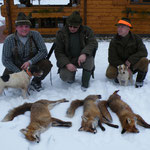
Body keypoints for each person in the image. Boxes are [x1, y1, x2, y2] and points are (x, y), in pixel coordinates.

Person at [2, 12, 52, 91]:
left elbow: (43, 51)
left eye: (26, 26)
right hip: (16, 66)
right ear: (16, 28)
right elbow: (6, 60)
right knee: (5, 79)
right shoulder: (9, 40)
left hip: (32, 65)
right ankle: (19, 84)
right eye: (21, 26)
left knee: (46, 64)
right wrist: (19, 73)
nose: (24, 29)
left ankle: (36, 82)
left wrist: (30, 62)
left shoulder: (36, 35)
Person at [54, 11, 98, 91]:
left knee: (89, 59)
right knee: (65, 77)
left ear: (79, 25)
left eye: (75, 27)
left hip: (82, 59)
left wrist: (84, 53)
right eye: (70, 26)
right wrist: (67, 64)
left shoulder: (87, 31)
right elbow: (58, 51)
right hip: (69, 60)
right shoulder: (61, 33)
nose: (72, 28)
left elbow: (93, 43)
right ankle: (71, 78)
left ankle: (85, 83)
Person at [106, 17, 149, 88]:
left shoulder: (136, 38)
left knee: (145, 60)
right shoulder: (114, 41)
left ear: (128, 29)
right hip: (119, 64)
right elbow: (112, 58)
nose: (119, 29)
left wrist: (130, 60)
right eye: (118, 27)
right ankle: (120, 76)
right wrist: (124, 68)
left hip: (132, 63)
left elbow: (143, 52)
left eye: (122, 27)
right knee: (109, 74)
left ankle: (139, 80)